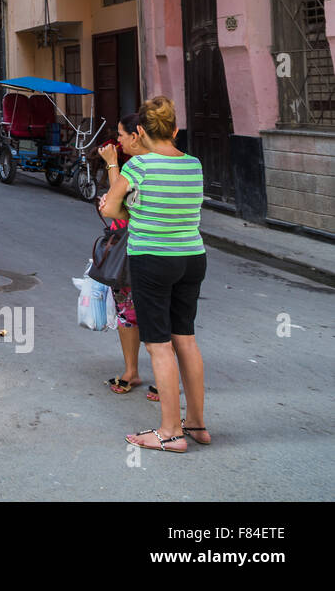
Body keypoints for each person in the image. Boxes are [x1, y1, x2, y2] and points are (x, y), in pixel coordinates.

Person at [100, 96, 209, 453]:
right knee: (186, 340)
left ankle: (170, 432)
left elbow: (111, 208)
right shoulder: (194, 164)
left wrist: (135, 215)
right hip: (192, 257)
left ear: (142, 131)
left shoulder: (139, 167)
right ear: (174, 129)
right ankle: (196, 423)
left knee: (159, 345)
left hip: (152, 259)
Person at [97, 113, 153, 397]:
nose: (117, 140)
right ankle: (132, 371)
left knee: (144, 313)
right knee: (128, 313)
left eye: (121, 134)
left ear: (137, 134)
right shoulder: (137, 165)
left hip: (141, 249)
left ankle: (156, 377)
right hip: (129, 246)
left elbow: (119, 204)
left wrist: (111, 164)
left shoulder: (141, 167)